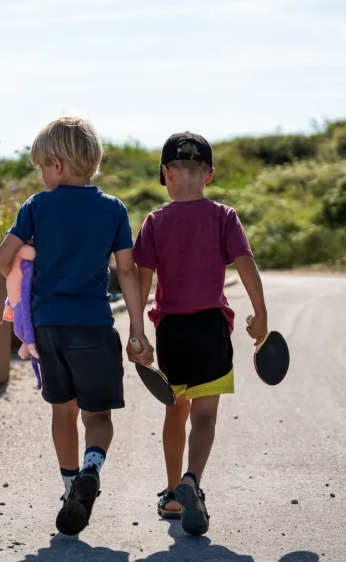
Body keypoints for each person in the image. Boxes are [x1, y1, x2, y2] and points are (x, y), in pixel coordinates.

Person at [0, 116, 154, 537]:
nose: (41, 177)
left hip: (48, 329)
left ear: (58, 164)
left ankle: (70, 490)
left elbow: (2, 260)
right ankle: (92, 467)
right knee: (97, 417)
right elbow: (127, 272)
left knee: (62, 412)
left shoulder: (36, 207)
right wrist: (137, 330)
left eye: (42, 168)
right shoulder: (114, 209)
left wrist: (28, 253)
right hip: (94, 327)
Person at [133, 131, 268, 536]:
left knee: (176, 411)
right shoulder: (224, 217)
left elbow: (140, 282)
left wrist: (137, 333)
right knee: (205, 415)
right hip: (211, 328)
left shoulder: (155, 222)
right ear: (208, 174)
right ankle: (193, 480)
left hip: (172, 331)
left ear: (165, 174)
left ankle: (173, 493)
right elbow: (246, 265)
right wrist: (261, 315)